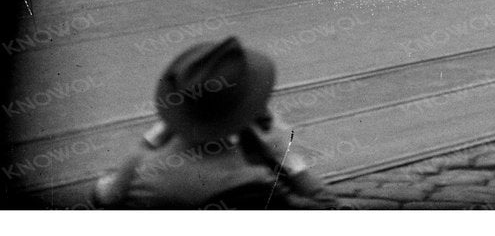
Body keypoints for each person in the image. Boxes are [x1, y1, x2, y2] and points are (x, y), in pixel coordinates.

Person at [91, 36, 330, 209]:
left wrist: (144, 146)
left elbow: (103, 196)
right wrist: (290, 160)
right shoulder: (257, 184)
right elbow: (330, 208)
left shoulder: (145, 177)